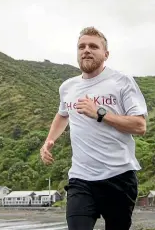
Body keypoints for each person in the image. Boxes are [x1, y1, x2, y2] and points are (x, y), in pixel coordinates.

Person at [40, 26, 148, 230]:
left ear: (106, 54)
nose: (86, 50)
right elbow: (63, 114)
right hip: (81, 178)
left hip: (119, 177)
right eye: (81, 46)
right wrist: (49, 140)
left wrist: (100, 113)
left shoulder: (121, 81)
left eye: (93, 46)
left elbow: (140, 125)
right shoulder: (67, 87)